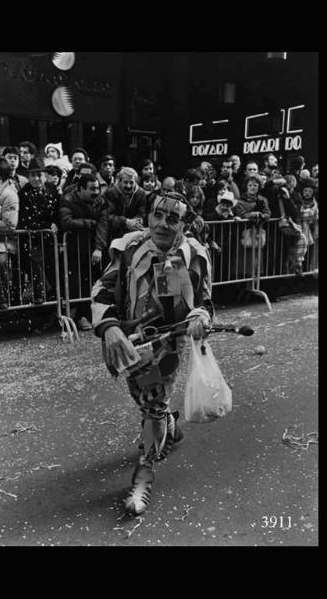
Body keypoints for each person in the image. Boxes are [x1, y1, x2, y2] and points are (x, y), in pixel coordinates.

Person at [90, 192, 213, 515]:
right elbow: (103, 288)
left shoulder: (191, 256)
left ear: (184, 224)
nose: (162, 224)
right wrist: (110, 327)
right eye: (158, 215)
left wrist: (200, 316)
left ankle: (143, 478)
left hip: (167, 345)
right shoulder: (129, 247)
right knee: (146, 401)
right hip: (127, 342)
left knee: (153, 407)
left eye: (172, 218)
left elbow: (202, 303)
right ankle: (169, 423)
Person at [60, 174, 109, 331]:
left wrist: (99, 248)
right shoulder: (67, 199)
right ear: (81, 189)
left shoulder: (100, 201)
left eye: (97, 188)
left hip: (91, 249)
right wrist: (89, 223)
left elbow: (103, 224)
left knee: (91, 282)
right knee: (74, 283)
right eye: (92, 189)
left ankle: (87, 315)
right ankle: (74, 316)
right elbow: (66, 222)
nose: (96, 192)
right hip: (73, 249)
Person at [18, 160, 60, 304]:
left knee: (54, 270)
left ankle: (54, 299)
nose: (37, 179)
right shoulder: (23, 194)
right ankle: (39, 298)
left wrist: (55, 223)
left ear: (45, 175)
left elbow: (58, 212)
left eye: (40, 175)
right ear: (28, 177)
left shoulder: (52, 190)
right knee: (35, 269)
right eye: (33, 175)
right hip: (31, 240)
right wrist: (48, 225)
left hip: (50, 240)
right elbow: (26, 220)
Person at [0, 159, 19, 309]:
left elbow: (10, 224)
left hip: (3, 242)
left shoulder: (9, 194)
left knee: (0, 262)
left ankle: (3, 298)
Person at [233, 176, 271, 278]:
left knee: (255, 264)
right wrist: (254, 214)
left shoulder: (262, 200)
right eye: (250, 185)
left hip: (257, 234)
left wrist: (260, 216)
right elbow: (241, 214)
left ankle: (253, 286)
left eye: (255, 185)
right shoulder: (239, 201)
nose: (252, 187)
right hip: (244, 234)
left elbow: (267, 214)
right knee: (243, 264)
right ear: (246, 186)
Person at [104, 167, 147, 242]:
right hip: (114, 235)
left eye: (131, 183)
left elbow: (142, 213)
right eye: (125, 182)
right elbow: (108, 216)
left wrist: (137, 221)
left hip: (133, 234)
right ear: (120, 181)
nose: (128, 186)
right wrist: (125, 221)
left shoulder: (141, 193)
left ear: (136, 182)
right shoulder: (111, 193)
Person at [277, 175, 308, 276]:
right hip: (281, 228)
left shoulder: (296, 195)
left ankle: (296, 268)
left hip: (293, 227)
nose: (288, 186)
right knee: (283, 254)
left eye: (290, 184)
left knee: (298, 245)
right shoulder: (278, 195)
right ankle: (283, 277)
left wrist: (288, 198)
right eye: (286, 184)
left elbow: (296, 212)